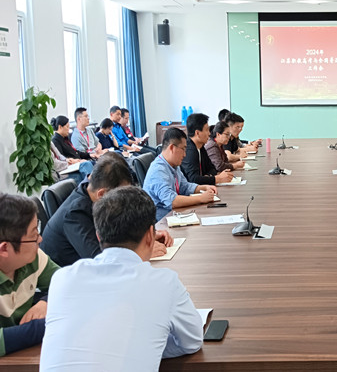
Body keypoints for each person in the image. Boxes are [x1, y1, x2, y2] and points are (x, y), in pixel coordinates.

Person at [40, 186, 203, 369]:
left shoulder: (62, 279)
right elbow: (192, 342)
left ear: (98, 236)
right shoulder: (165, 283)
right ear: (150, 236)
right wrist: (149, 346)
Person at [41, 153, 173, 267]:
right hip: (71, 281)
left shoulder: (92, 195)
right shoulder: (74, 215)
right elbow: (101, 259)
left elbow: (114, 235)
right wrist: (139, 250)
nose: (125, 201)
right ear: (102, 194)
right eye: (121, 196)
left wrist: (143, 237)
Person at [0, 193, 59, 357]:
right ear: (4, 249)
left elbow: (68, 284)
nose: (40, 239)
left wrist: (45, 302)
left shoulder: (33, 258)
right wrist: (45, 325)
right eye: (33, 236)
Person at [144, 128, 218, 222]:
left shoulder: (173, 165)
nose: (184, 154)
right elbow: (172, 201)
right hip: (161, 222)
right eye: (183, 149)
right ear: (172, 148)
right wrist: (201, 198)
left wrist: (204, 187)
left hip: (174, 215)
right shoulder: (158, 170)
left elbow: (184, 186)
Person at [181, 113, 233, 185]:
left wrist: (207, 177)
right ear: (197, 133)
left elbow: (212, 169)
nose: (209, 133)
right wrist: (216, 179)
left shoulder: (201, 147)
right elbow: (193, 179)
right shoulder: (189, 150)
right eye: (207, 130)